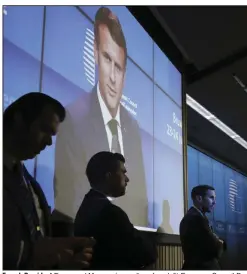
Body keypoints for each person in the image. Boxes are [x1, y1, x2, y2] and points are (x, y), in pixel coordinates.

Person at [54, 6, 147, 226]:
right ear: (95, 54)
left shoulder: (133, 127)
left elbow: (141, 206)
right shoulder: (73, 119)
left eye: (120, 67)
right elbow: (67, 199)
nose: (113, 78)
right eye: (107, 59)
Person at [3, 92, 95, 269]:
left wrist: (59, 260)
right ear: (19, 119)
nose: (49, 143)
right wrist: (31, 253)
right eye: (44, 129)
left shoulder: (29, 184)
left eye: (52, 135)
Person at [74, 151, 157, 269]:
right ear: (109, 176)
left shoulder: (88, 206)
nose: (127, 179)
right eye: (123, 172)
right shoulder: (111, 214)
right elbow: (146, 254)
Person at [180, 185, 226, 270]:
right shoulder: (195, 219)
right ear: (199, 198)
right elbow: (215, 248)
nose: (214, 202)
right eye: (211, 198)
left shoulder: (196, 217)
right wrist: (220, 242)